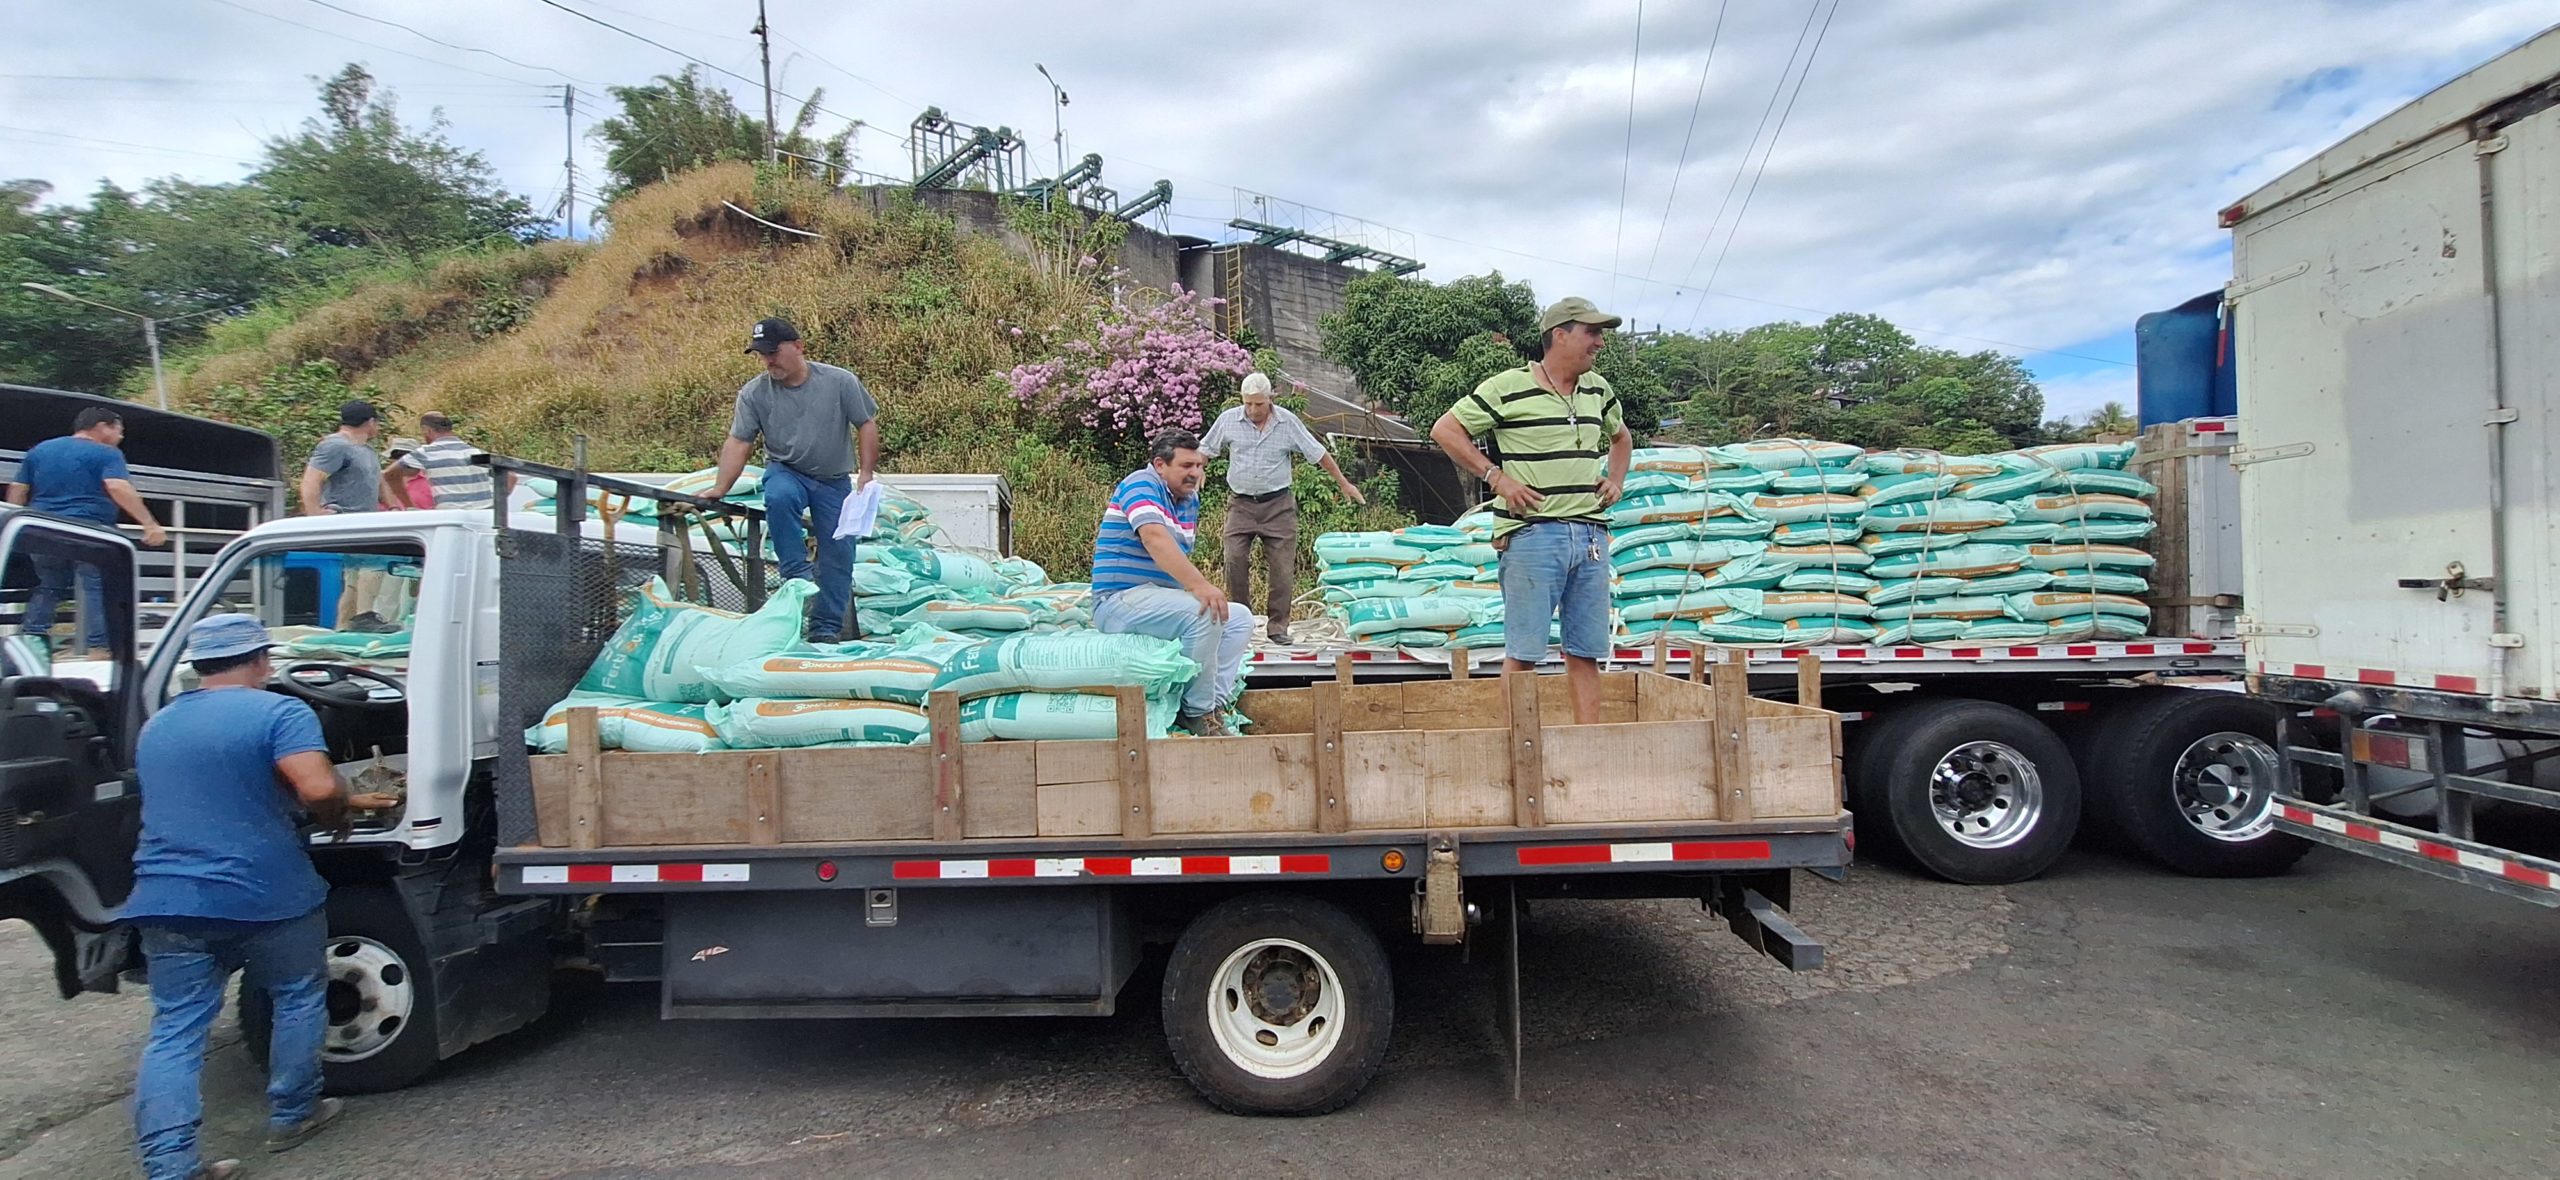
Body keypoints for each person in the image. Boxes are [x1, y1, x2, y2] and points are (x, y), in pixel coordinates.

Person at [123, 614, 398, 1180]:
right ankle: (293, 1114)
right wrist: (344, 802)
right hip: (263, 891)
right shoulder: (280, 711)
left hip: (167, 895)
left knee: (176, 1030)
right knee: (298, 994)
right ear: (261, 660)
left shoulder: (159, 724)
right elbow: (318, 787)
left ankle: (170, 1166)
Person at [1428, 297, 1633, 725]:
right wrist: (1497, 478)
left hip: (1592, 536)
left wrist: (1616, 481)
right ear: (1560, 335)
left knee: (1586, 651)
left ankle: (1588, 746)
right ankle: (1518, 746)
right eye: (1591, 332)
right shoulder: (1508, 386)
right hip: (1533, 534)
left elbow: (1622, 438)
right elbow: (1445, 429)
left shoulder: (1598, 389)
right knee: (1524, 652)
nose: (1599, 342)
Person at [709, 318, 879, 643]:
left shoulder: (839, 382)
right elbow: (739, 442)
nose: (768, 360)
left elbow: (866, 423)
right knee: (779, 495)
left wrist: (867, 474)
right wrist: (721, 488)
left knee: (839, 555)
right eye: (762, 355)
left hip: (833, 480)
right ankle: (795, 571)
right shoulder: (754, 394)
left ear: (798, 347)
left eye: (773, 352)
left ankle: (825, 630)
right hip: (787, 470)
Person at [1090, 431, 1256, 736]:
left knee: (1240, 618)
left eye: (1199, 465)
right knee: (1206, 610)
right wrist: (1200, 586)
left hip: (1153, 599)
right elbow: (1155, 539)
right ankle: (1195, 712)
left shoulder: (1188, 500)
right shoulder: (1141, 483)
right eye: (1186, 465)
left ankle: (1213, 707)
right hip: (1119, 600)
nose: (1195, 473)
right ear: (1160, 465)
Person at [1199, 372, 1366, 645]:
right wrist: (1198, 469)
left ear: (1270, 400)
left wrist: (1343, 483)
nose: (1253, 410)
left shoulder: (1287, 422)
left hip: (1278, 506)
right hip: (1240, 504)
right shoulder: (1229, 419)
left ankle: (1278, 627)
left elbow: (1318, 453)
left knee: (1282, 569)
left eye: (1259, 404)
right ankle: (1242, 621)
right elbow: (1205, 448)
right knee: (1234, 559)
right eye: (1248, 403)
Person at [4, 406, 167, 652]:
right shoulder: (106, 453)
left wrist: (15, 524)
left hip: (43, 531)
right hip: (90, 531)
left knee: (49, 585)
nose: (120, 438)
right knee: (97, 586)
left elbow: (18, 489)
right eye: (119, 431)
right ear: (103, 427)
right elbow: (117, 487)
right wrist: (149, 523)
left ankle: (30, 642)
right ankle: (98, 649)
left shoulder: (41, 450)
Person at [300, 402, 398, 631]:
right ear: (370, 422)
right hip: (345, 517)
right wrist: (314, 513)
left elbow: (378, 480)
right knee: (373, 566)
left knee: (353, 581)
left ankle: (343, 626)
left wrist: (393, 507)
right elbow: (312, 479)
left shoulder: (366, 449)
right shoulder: (335, 446)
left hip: (366, 518)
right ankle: (365, 617)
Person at [385, 412, 504, 512]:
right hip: (483, 514)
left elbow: (390, 474)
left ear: (427, 430)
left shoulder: (426, 453)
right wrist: (496, 502)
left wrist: (409, 505)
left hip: (451, 516)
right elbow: (510, 477)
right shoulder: (476, 452)